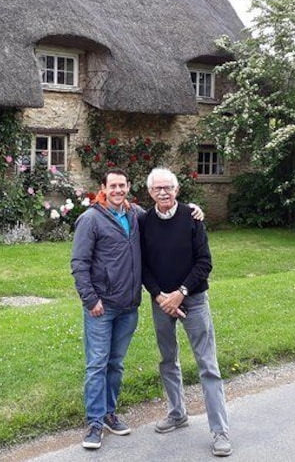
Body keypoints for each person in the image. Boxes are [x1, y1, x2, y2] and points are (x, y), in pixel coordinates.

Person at [71, 169, 204, 450]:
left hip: (128, 306)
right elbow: (79, 263)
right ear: (103, 189)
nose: (118, 190)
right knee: (97, 363)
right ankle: (94, 423)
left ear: (128, 188)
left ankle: (109, 413)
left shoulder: (136, 215)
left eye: (122, 185)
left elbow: (164, 212)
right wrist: (90, 299)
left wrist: (192, 209)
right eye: (113, 186)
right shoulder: (91, 219)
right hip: (101, 306)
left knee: (116, 363)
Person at [140, 167, 232, 457]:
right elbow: (143, 265)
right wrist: (159, 296)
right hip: (161, 302)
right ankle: (177, 413)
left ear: (177, 190)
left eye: (168, 188)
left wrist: (180, 293)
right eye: (158, 189)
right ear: (150, 192)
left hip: (192, 300)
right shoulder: (144, 222)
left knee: (208, 365)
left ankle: (220, 431)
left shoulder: (192, 218)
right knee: (168, 360)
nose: (163, 193)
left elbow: (205, 262)